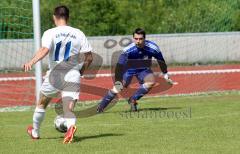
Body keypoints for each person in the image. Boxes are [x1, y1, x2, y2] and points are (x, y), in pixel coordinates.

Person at [23, 5, 93, 144]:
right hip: (73, 73)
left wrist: (31, 61)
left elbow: (44, 49)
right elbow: (89, 57)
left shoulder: (50, 32)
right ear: (68, 17)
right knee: (68, 108)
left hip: (55, 74)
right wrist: (81, 71)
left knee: (41, 103)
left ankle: (35, 132)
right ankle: (70, 127)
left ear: (54, 17)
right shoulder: (78, 33)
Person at [97, 28, 173, 112]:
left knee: (151, 82)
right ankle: (101, 107)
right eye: (136, 39)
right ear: (133, 38)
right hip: (129, 69)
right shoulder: (128, 50)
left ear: (145, 39)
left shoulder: (153, 48)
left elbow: (161, 60)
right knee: (118, 87)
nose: (138, 41)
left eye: (140, 39)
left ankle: (133, 99)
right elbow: (119, 65)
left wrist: (166, 75)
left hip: (144, 69)